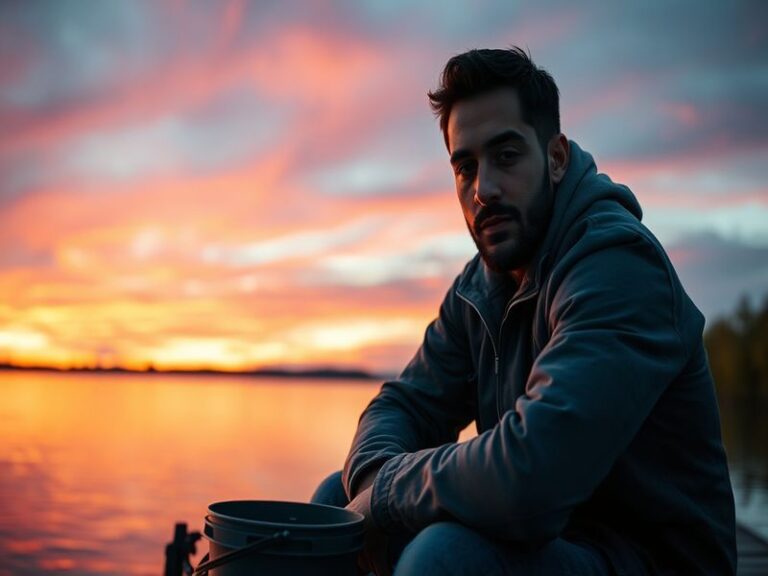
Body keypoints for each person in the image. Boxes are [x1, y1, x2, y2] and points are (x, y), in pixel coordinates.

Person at [311, 47, 736, 575]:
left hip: (647, 560)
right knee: (338, 502)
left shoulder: (620, 267)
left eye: (506, 156)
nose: (483, 189)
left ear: (555, 158)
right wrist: (376, 482)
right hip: (548, 545)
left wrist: (389, 495)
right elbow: (405, 405)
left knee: (442, 554)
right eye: (465, 167)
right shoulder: (479, 288)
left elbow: (535, 473)